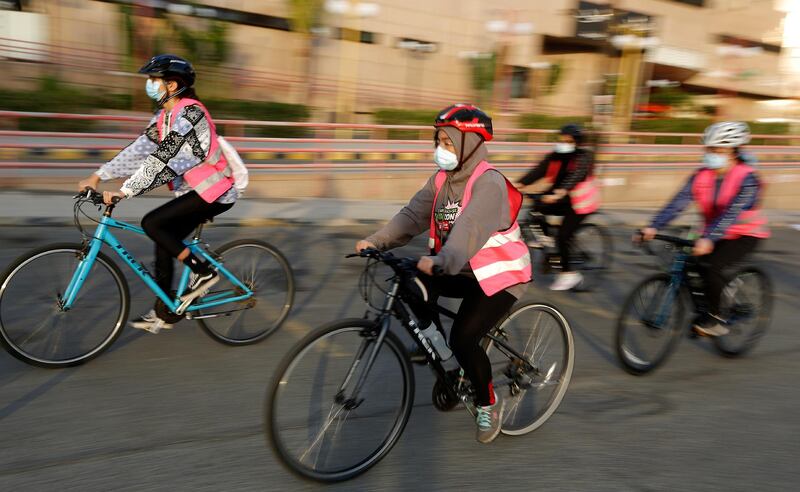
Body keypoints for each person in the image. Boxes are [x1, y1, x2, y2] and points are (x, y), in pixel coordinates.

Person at [355, 104, 531, 444]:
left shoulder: (489, 182)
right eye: (438, 141)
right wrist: (375, 241)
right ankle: (447, 363)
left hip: (499, 275)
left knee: (464, 337)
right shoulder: (440, 181)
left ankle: (488, 402)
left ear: (470, 144)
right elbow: (411, 216)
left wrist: (443, 260)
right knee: (409, 281)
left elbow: (469, 228)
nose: (441, 149)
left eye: (448, 142)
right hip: (459, 267)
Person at [77, 54, 237, 334]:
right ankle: (166, 310)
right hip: (194, 191)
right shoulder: (165, 116)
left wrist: (124, 191)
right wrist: (99, 175)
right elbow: (140, 149)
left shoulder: (191, 113)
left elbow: (164, 158)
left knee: (152, 223)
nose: (149, 85)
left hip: (216, 191)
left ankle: (204, 272)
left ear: (172, 85)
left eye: (154, 79)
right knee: (163, 239)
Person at [640, 121, 769, 337]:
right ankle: (708, 305)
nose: (712, 154)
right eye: (709, 149)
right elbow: (678, 203)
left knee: (712, 266)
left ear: (733, 151)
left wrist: (709, 238)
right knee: (690, 263)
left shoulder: (747, 179)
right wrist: (653, 226)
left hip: (745, 234)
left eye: (718, 150)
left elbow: (731, 214)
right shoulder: (701, 175)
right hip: (712, 233)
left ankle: (717, 318)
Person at [515, 123, 600, 291]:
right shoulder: (556, 155)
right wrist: (519, 184)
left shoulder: (584, 157)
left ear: (577, 142)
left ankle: (569, 274)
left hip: (580, 203)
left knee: (563, 235)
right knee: (535, 208)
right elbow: (540, 170)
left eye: (567, 140)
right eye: (561, 138)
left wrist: (559, 192)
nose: (562, 142)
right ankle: (548, 241)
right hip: (562, 198)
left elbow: (577, 175)